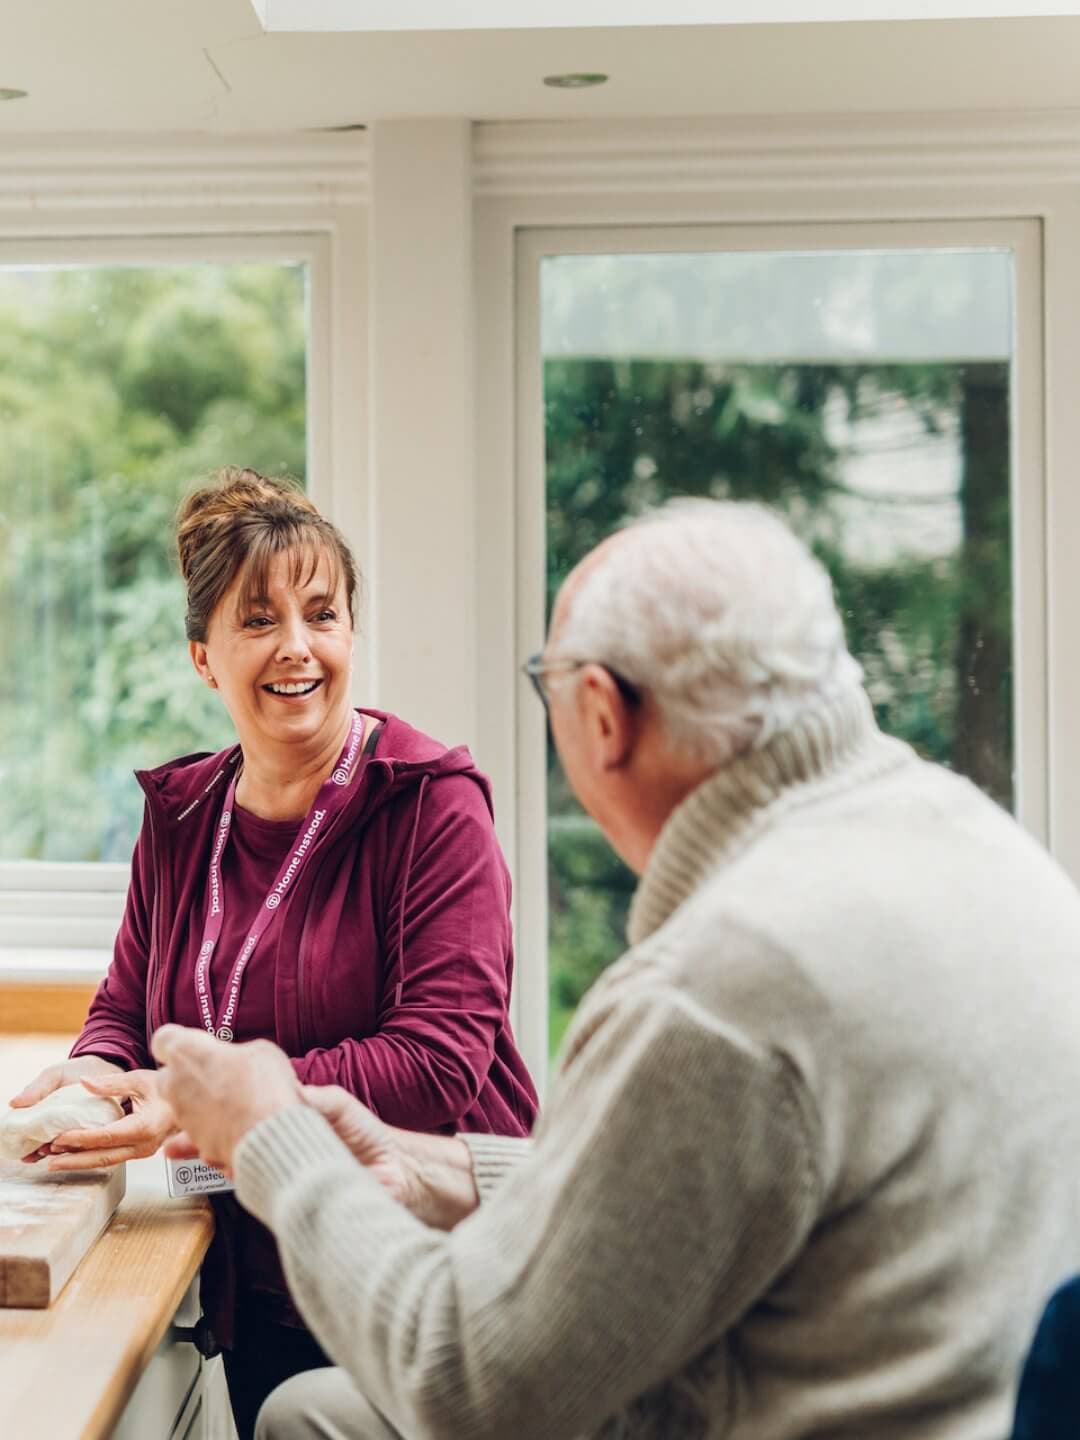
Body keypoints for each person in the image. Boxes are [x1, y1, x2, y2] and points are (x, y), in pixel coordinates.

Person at [150, 498, 1080, 1440]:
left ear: (600, 712)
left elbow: (466, 1380)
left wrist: (276, 1142)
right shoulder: (989, 848)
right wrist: (443, 1168)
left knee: (305, 1419)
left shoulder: (718, 992)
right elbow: (706, 1187)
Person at [7, 470, 538, 1440]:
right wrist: (96, 1076)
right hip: (253, 1275)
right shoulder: (182, 815)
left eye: (321, 613)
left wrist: (209, 1107)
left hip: (425, 1271)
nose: (298, 646)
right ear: (205, 657)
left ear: (348, 636)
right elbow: (129, 1010)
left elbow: (434, 1069)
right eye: (259, 620)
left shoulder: (431, 805)